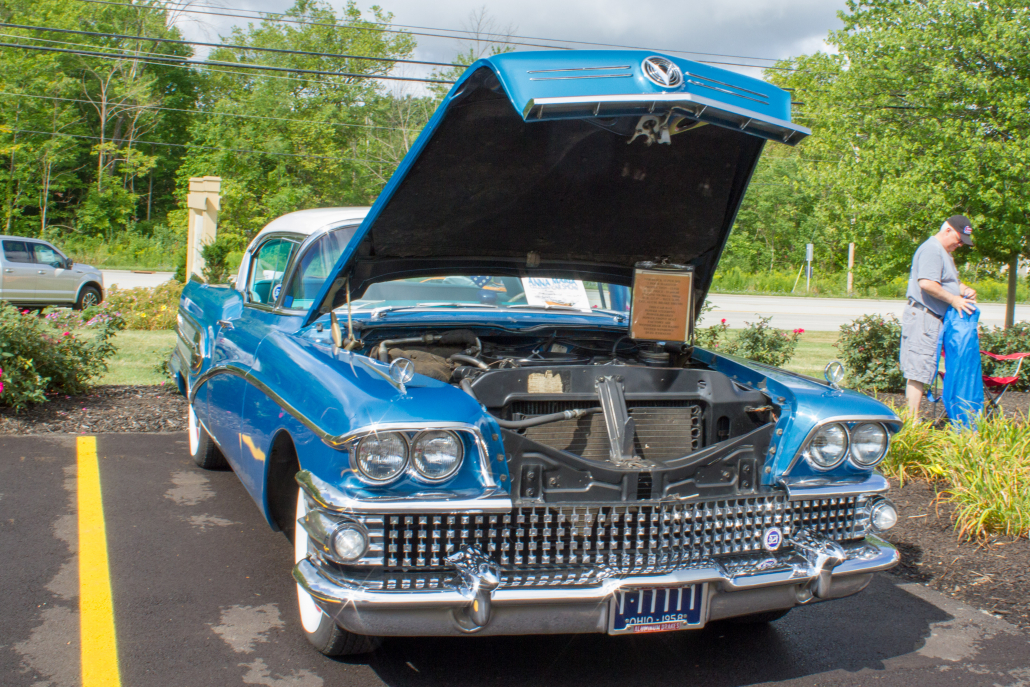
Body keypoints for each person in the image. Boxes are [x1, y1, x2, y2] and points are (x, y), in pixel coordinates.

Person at [900, 215, 977, 419]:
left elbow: (947, 282)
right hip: (923, 317)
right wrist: (954, 300)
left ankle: (913, 421)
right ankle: (911, 425)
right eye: (959, 240)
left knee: (923, 369)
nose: (960, 245)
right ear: (948, 230)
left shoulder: (942, 252)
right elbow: (926, 283)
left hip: (931, 319)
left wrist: (963, 289)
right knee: (918, 371)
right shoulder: (932, 250)